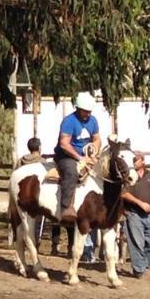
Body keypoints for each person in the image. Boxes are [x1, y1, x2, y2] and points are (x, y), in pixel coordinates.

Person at [53, 91, 101, 224]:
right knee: (71, 172)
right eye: (86, 111)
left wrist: (94, 151)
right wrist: (80, 158)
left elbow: (97, 139)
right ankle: (66, 207)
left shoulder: (93, 121)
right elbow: (64, 144)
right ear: (78, 109)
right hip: (66, 156)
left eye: (90, 111)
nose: (88, 114)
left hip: (86, 155)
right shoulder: (69, 121)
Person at [120, 152, 150, 278]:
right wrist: (140, 203)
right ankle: (139, 270)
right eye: (133, 160)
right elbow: (123, 194)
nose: (134, 162)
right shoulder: (128, 177)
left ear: (143, 161)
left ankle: (141, 265)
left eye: (136, 160)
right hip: (134, 213)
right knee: (136, 243)